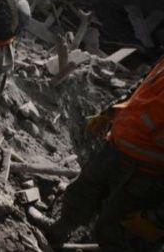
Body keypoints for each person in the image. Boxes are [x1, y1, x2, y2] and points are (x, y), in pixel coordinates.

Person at [32, 57, 164, 251]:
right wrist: (109, 113)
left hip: (146, 174)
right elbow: (141, 87)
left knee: (116, 230)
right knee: (81, 193)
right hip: (117, 146)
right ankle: (57, 232)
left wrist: (157, 220)